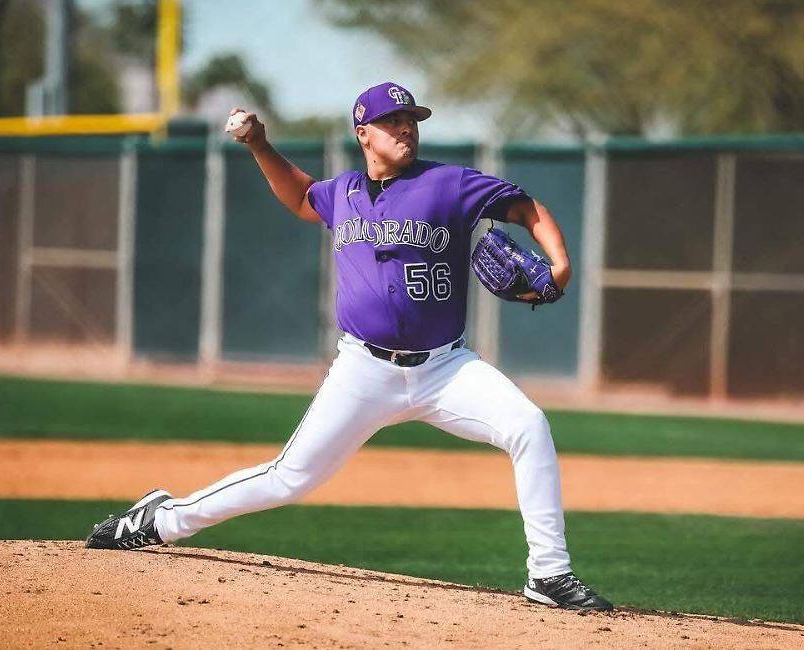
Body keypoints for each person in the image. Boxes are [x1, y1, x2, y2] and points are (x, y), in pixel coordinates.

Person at [84, 82, 612, 612]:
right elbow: (299, 196)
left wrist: (560, 264)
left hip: (445, 368)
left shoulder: (448, 184)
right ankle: (160, 519)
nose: (406, 128)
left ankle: (549, 573)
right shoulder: (343, 194)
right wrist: (259, 145)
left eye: (412, 119)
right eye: (393, 121)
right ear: (364, 134)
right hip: (364, 371)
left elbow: (526, 208)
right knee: (289, 478)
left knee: (528, 426)